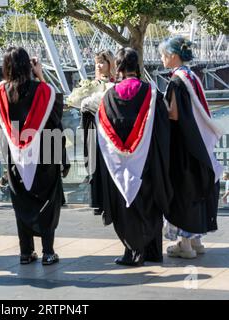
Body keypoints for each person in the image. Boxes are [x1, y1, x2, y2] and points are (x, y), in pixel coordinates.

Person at [95, 48, 172, 266]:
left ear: (118, 66)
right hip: (147, 159)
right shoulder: (152, 92)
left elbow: (104, 127)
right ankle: (154, 251)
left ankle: (133, 253)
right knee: (150, 200)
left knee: (126, 205)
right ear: (136, 66)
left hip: (120, 161)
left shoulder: (109, 96)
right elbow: (162, 127)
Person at [0, 47, 70, 266]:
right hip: (45, 153)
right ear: (29, 65)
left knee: (22, 202)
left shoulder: (1, 92)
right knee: (46, 201)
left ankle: (25, 252)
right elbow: (55, 116)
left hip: (15, 157)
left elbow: (0, 125)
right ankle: (48, 252)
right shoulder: (43, 90)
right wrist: (40, 76)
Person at [160, 36, 223, 259]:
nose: (162, 58)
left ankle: (184, 245)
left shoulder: (177, 81)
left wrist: (157, 110)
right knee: (198, 189)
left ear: (173, 55)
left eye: (164, 54)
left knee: (183, 191)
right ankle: (197, 242)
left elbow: (174, 114)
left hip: (183, 147)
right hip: (199, 145)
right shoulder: (192, 76)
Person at [80, 50, 116, 217]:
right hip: (94, 127)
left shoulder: (116, 83)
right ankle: (98, 201)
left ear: (110, 63)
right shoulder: (93, 83)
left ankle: (111, 200)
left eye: (102, 62)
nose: (99, 66)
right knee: (95, 161)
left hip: (110, 129)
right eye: (97, 62)